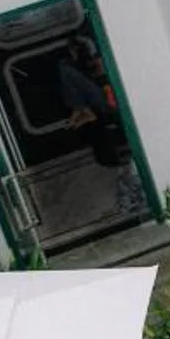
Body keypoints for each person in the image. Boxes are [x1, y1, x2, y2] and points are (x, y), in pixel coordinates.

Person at [55, 41, 144, 219]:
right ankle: (81, 109)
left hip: (114, 104)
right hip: (109, 102)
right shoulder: (92, 62)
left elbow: (104, 74)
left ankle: (82, 110)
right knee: (66, 73)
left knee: (65, 70)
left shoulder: (108, 56)